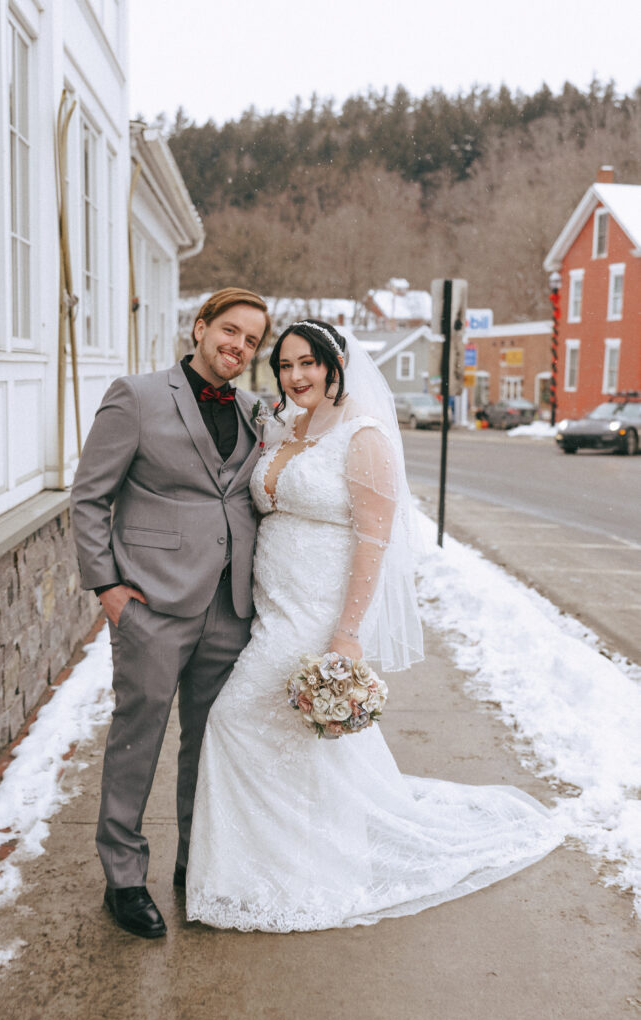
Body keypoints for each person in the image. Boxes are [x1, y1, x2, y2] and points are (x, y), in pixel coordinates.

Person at [185, 319, 563, 932]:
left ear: (337, 366)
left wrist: (347, 632)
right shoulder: (287, 426)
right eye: (284, 366)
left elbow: (374, 540)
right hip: (272, 608)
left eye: (308, 363)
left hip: (316, 615)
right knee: (301, 748)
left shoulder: (364, 436)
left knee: (235, 723)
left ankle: (272, 876)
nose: (295, 376)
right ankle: (285, 865)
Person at [70, 287, 271, 939]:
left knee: (208, 744)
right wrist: (107, 587)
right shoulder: (137, 395)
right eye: (229, 331)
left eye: (251, 341)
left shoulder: (251, 410)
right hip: (150, 602)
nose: (237, 346)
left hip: (228, 604)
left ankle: (196, 862)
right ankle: (124, 878)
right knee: (138, 736)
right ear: (200, 326)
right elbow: (87, 498)